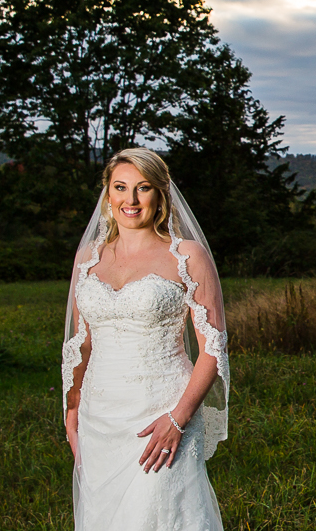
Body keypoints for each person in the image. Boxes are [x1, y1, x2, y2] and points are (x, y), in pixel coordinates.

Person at [62, 147, 229, 530]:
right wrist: (72, 410)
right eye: (120, 187)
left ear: (160, 195)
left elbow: (213, 348)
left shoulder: (187, 255)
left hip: (162, 411)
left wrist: (179, 417)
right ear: (108, 193)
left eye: (143, 188)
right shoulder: (88, 257)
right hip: (98, 418)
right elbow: (80, 343)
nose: (131, 200)